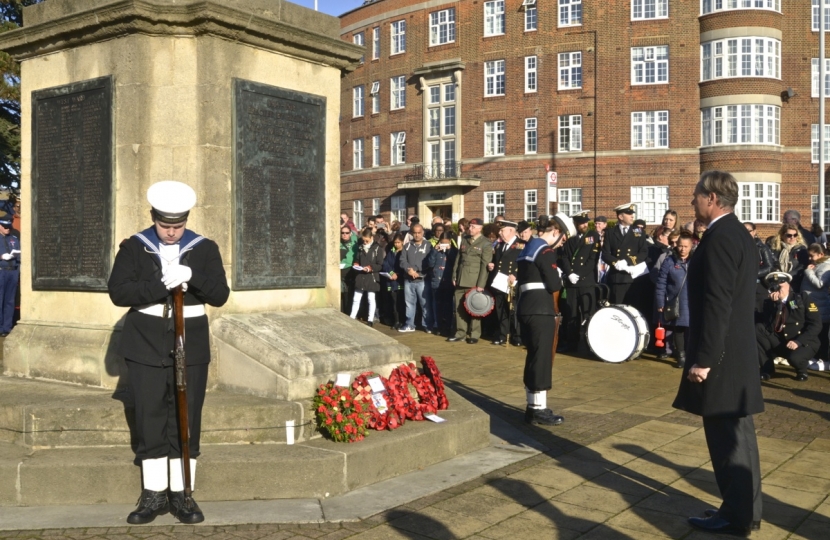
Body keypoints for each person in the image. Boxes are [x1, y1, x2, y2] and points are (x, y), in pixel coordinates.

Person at [108, 181, 230, 525]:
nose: (172, 233)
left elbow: (220, 295)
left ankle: (182, 493)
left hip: (189, 342)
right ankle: (154, 493)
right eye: (165, 226)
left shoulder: (204, 249)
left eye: (178, 226)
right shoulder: (134, 247)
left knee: (186, 417)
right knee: (149, 416)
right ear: (153, 218)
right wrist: (158, 284)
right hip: (145, 342)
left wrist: (192, 276)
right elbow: (118, 292)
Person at [673, 171, 763, 537]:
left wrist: (704, 359)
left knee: (729, 441)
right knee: (739, 438)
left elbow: (717, 304)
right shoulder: (736, 233)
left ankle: (736, 516)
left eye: (696, 195)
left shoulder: (722, 237)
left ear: (711, 198)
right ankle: (744, 510)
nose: (692, 201)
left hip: (721, 357)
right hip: (735, 354)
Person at [516, 214, 570, 426]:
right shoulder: (545, 251)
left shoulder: (528, 248)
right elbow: (554, 284)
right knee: (542, 358)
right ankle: (539, 408)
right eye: (563, 238)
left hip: (526, 307)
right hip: (541, 310)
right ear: (555, 232)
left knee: (533, 357)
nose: (562, 243)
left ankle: (532, 406)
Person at [756, 272, 821, 382]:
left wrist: (799, 342)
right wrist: (776, 305)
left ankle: (801, 370)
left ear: (788, 285)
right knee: (759, 329)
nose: (778, 290)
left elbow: (816, 324)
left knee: (795, 359)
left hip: (802, 341)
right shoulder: (770, 302)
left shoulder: (802, 298)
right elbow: (771, 328)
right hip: (782, 340)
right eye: (774, 288)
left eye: (780, 286)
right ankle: (767, 369)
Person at [559, 211, 600, 352]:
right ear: (576, 223)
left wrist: (579, 274)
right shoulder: (571, 237)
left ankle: (591, 345)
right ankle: (572, 343)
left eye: (586, 222)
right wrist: (569, 273)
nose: (585, 224)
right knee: (572, 314)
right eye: (582, 222)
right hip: (572, 282)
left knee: (588, 313)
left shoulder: (593, 236)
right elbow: (564, 257)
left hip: (586, 281)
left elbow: (592, 259)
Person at [448, 218, 494, 344]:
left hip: (474, 280)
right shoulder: (465, 239)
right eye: (470, 226)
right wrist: (454, 276)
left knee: (474, 307)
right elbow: (458, 260)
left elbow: (485, 266)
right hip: (461, 278)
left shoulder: (485, 243)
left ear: (480, 228)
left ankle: (474, 334)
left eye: (473, 227)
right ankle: (460, 333)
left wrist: (481, 284)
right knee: (458, 308)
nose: (470, 228)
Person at [655, 230, 694, 368]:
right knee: (679, 329)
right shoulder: (669, 261)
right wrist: (660, 302)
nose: (683, 249)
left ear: (691, 246)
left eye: (686, 246)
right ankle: (681, 356)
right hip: (676, 302)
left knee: (693, 329)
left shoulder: (696, 261)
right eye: (680, 246)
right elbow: (661, 284)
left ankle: (692, 354)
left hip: (693, 301)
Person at [601, 203, 648, 304]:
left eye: (632, 213)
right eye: (628, 213)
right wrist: (616, 262)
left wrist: (627, 261)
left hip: (634, 277)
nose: (632, 216)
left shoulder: (639, 232)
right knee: (618, 309)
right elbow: (605, 254)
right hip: (617, 277)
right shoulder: (610, 232)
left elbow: (643, 252)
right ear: (620, 216)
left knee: (634, 309)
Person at [486, 220, 521, 346]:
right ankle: (502, 334)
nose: (500, 233)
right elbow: (499, 263)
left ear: (511, 231)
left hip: (512, 283)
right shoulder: (500, 246)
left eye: (502, 230)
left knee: (513, 310)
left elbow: (524, 264)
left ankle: (516, 336)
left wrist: (516, 275)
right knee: (501, 310)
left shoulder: (520, 245)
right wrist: (492, 266)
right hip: (500, 282)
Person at [399, 223, 433, 333]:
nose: (417, 235)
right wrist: (409, 269)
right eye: (415, 233)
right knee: (409, 303)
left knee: (425, 304)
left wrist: (419, 272)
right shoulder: (407, 246)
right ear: (411, 233)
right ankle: (409, 324)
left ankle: (427, 325)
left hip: (422, 279)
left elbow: (431, 261)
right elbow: (402, 260)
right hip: (409, 279)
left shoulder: (428, 245)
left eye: (419, 232)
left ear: (423, 232)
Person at [349, 228, 385, 327]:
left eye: (367, 241)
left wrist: (371, 268)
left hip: (371, 276)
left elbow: (380, 264)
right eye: (363, 240)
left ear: (371, 238)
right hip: (361, 275)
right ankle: (352, 317)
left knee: (371, 298)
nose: (364, 242)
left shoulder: (377, 248)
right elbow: (357, 259)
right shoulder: (360, 247)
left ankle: (370, 319)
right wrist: (356, 264)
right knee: (356, 298)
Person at [425, 231, 458, 336]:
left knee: (448, 306)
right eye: (442, 242)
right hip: (436, 281)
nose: (444, 244)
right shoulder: (435, 250)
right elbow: (430, 263)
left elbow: (455, 262)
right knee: (437, 305)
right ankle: (438, 326)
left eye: (446, 242)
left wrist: (449, 251)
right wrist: (435, 251)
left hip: (448, 282)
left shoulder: (454, 251)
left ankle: (448, 326)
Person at [802, 243, 830, 363]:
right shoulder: (816, 264)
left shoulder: (825, 267)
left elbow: (820, 284)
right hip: (812, 302)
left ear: (821, 254)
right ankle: (815, 356)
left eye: (812, 255)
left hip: (820, 304)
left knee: (822, 333)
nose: (809, 258)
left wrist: (808, 272)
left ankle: (823, 358)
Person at [769, 224, 808, 291]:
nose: (792, 237)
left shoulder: (801, 249)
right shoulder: (775, 249)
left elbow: (802, 266)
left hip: (794, 284)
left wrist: (787, 276)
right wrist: (779, 276)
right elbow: (771, 264)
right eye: (789, 235)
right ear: (782, 235)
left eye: (795, 235)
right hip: (777, 282)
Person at [0, 214, 20, 337]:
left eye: (9, 226)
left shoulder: (14, 238)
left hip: (12, 271)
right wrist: (1, 257)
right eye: (5, 226)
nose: (8, 229)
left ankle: (6, 327)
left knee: (9, 301)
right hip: (1, 271)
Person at [381, 233, 405, 329]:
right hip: (391, 281)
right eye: (395, 242)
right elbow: (386, 264)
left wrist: (397, 274)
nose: (396, 244)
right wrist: (391, 273)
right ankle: (396, 321)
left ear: (402, 242)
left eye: (398, 242)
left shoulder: (404, 252)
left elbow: (404, 265)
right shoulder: (391, 252)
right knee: (394, 302)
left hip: (401, 281)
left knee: (401, 302)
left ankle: (402, 321)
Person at [339, 226, 358, 315]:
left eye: (346, 233)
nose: (344, 235)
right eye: (342, 233)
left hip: (352, 271)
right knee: (342, 294)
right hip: (341, 271)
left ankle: (350, 313)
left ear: (350, 233)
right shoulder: (338, 244)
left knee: (350, 294)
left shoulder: (355, 242)